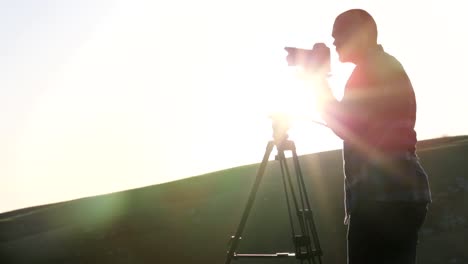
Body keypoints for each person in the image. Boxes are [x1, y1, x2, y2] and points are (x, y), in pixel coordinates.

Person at [311, 9, 432, 264]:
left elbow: (344, 125)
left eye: (339, 35)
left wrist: (318, 78)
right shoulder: (385, 66)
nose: (334, 42)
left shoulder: (369, 71)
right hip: (402, 192)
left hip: (381, 196)